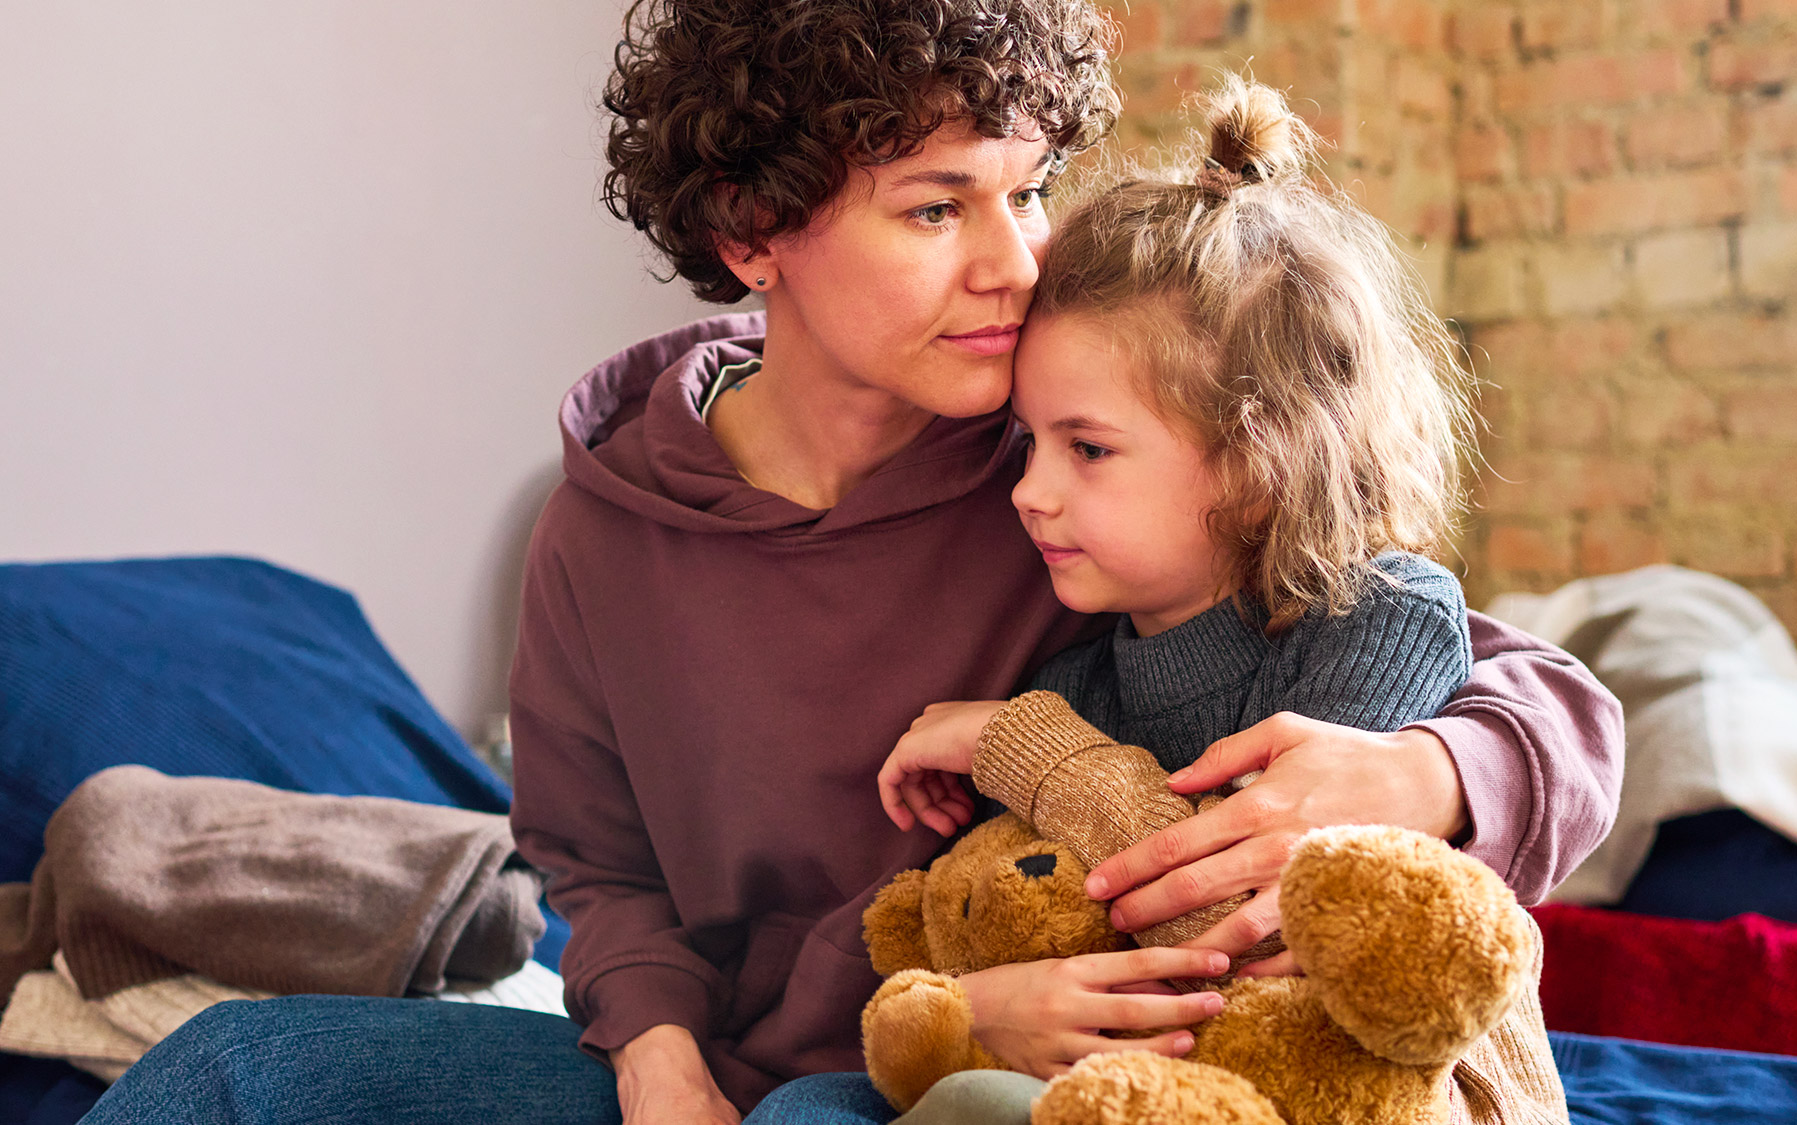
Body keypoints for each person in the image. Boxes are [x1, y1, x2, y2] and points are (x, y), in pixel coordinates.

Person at [77, 4, 1620, 1124]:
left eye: (1026, 190)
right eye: (937, 207)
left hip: (1004, 1064)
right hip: (766, 1057)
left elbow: (1501, 676)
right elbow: (599, 872)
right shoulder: (604, 530)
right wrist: (657, 1051)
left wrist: (1423, 775)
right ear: (757, 231)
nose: (1015, 260)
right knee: (232, 1070)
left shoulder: (1071, 464)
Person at [858, 80, 1549, 1119]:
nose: (1029, 492)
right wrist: (973, 1001)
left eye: (1086, 449)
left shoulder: (1380, 618)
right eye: (1029, 443)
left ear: (1258, 462)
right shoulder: (1075, 677)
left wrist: (1025, 747)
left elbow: (1251, 933)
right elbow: (1047, 923)